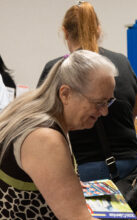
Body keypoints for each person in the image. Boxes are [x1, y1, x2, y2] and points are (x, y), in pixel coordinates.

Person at [0, 50, 116, 219]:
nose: (104, 112)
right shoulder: (45, 139)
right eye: (99, 103)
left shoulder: (34, 110)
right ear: (65, 94)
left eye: (108, 102)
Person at [38, 1, 137, 182]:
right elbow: (134, 110)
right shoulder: (122, 62)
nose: (104, 110)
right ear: (98, 30)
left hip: (86, 167)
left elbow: (45, 121)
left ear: (65, 31)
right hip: (129, 165)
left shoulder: (57, 69)